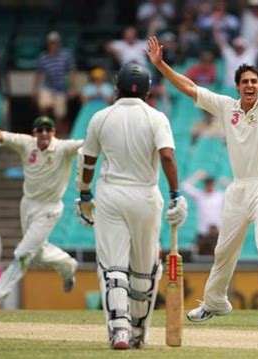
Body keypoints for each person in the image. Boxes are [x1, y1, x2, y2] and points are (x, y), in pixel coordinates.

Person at [147, 10, 258, 327]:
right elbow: (189, 88)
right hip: (239, 189)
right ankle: (215, 302)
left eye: (255, 82)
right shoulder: (227, 107)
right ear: (237, 86)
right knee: (223, 251)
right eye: (245, 82)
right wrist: (160, 66)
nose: (251, 86)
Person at [75, 62, 187, 349]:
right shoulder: (156, 117)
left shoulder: (101, 117)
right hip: (146, 197)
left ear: (116, 88)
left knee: (113, 266)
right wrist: (176, 194)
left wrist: (85, 194)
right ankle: (138, 332)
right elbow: (167, 157)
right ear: (148, 91)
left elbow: (88, 161)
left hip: (111, 194)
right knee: (144, 270)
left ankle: (120, 330)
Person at [0, 104, 82, 309]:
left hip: (49, 209)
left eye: (48, 129)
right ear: (34, 133)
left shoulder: (63, 148)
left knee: (22, 254)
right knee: (37, 253)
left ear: (54, 132)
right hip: (27, 205)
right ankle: (68, 266)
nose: (44, 133)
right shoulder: (26, 144)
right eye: (40, 130)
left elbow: (88, 144)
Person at [34, 31, 77, 135]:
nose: (53, 44)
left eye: (55, 42)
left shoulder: (66, 56)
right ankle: (46, 126)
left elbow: (72, 72)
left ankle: (57, 132)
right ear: (48, 43)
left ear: (59, 43)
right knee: (43, 105)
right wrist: (35, 89)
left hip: (61, 88)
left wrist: (72, 88)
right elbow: (39, 74)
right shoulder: (43, 57)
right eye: (51, 42)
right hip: (48, 87)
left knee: (60, 115)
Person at [181, 170, 225, 253]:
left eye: (210, 182)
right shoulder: (200, 195)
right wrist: (197, 176)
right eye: (207, 183)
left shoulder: (220, 195)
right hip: (203, 234)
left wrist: (225, 182)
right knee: (201, 259)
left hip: (217, 234)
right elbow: (185, 186)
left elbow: (236, 193)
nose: (209, 185)